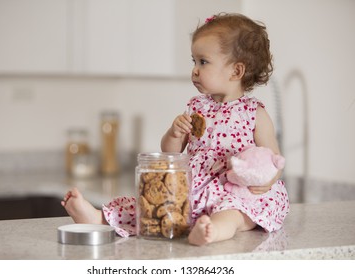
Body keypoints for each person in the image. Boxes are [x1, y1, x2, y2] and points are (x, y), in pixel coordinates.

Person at [62, 13, 289, 246]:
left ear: (236, 71)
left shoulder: (255, 113)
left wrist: (268, 182)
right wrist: (174, 133)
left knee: (234, 214)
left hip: (235, 191)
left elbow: (274, 159)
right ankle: (99, 218)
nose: (195, 70)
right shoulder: (196, 107)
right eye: (194, 61)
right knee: (153, 207)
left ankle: (212, 231)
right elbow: (171, 152)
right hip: (193, 186)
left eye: (203, 62)